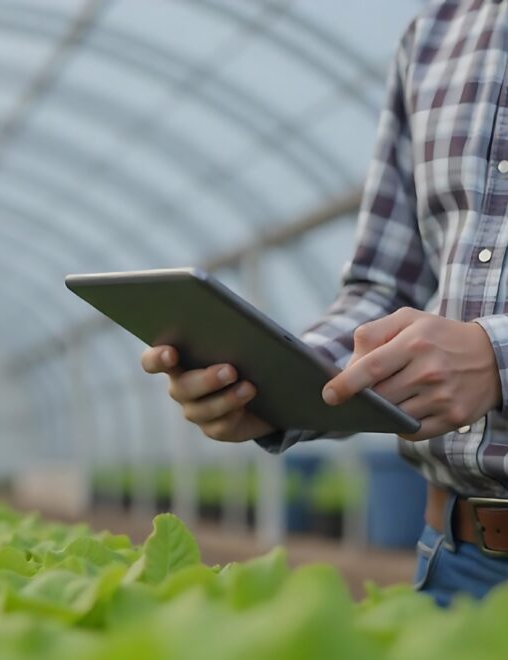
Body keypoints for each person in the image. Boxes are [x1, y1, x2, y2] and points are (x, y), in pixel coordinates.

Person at [142, 0, 508, 607]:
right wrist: (276, 385)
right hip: (458, 558)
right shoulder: (438, 34)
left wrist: (495, 356)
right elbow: (385, 289)